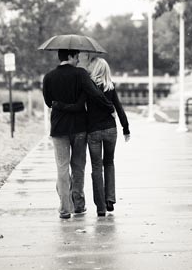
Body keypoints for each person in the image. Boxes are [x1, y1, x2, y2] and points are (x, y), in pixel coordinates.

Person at [53, 57, 130, 217]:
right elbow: (119, 108)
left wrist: (60, 105)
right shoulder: (111, 86)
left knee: (96, 167)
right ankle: (110, 199)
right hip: (111, 131)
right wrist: (126, 128)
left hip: (93, 132)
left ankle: (100, 208)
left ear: (94, 70)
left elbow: (79, 106)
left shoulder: (88, 87)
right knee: (109, 163)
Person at [42, 49, 114, 219]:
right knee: (78, 167)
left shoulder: (49, 77)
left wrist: (60, 103)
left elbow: (48, 102)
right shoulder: (81, 74)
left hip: (59, 128)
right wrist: (109, 106)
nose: (78, 60)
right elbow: (94, 93)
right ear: (70, 57)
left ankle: (65, 208)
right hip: (79, 128)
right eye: (76, 57)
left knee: (62, 167)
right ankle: (79, 205)